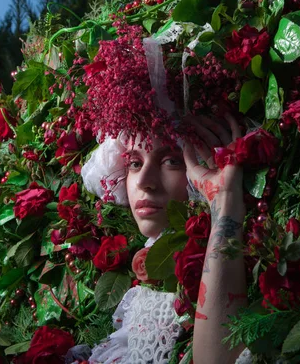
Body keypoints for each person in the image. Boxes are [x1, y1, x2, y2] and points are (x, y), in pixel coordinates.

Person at [77, 113, 250, 364]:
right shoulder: (141, 298)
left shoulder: (240, 257)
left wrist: (224, 200)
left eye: (170, 161)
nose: (144, 182)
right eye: (135, 163)